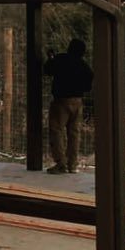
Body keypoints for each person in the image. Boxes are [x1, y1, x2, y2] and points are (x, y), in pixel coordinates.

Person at [44, 37, 93, 174]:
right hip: (78, 101)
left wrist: (50, 57)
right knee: (74, 133)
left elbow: (48, 70)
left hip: (61, 100)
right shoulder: (84, 66)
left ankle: (60, 163)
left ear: (69, 48)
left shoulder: (61, 59)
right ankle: (72, 164)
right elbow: (89, 82)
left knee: (56, 130)